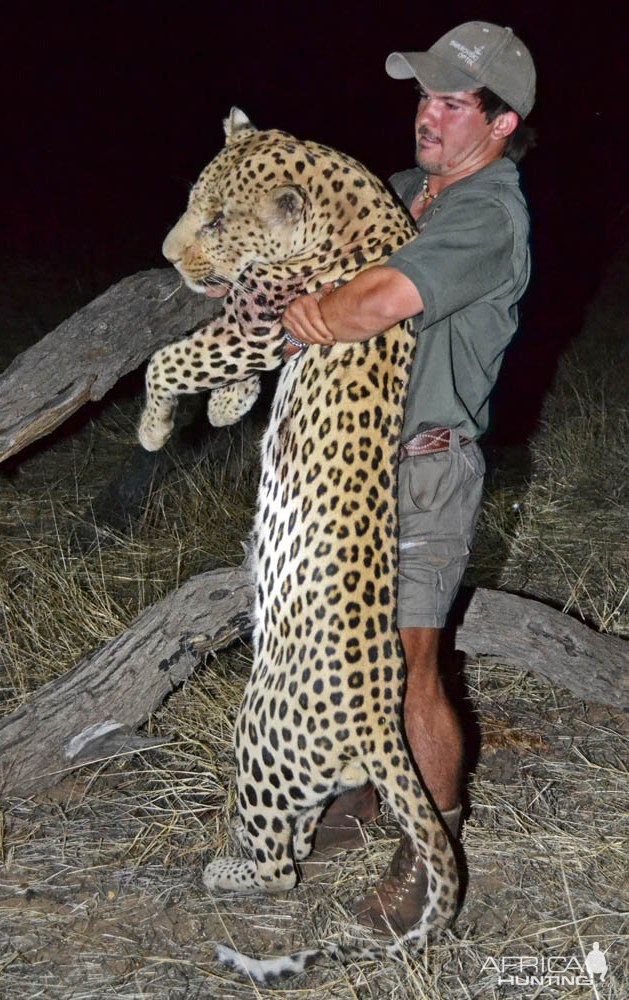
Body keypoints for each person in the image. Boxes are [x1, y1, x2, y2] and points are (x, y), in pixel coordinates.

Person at [281, 21, 535, 934]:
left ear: (501, 126)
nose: (428, 112)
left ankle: (432, 845)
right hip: (344, 469)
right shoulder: (402, 192)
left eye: (453, 102)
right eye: (424, 94)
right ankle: (367, 790)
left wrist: (311, 311)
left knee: (410, 664)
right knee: (337, 651)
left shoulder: (486, 217)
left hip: (425, 469)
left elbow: (377, 303)